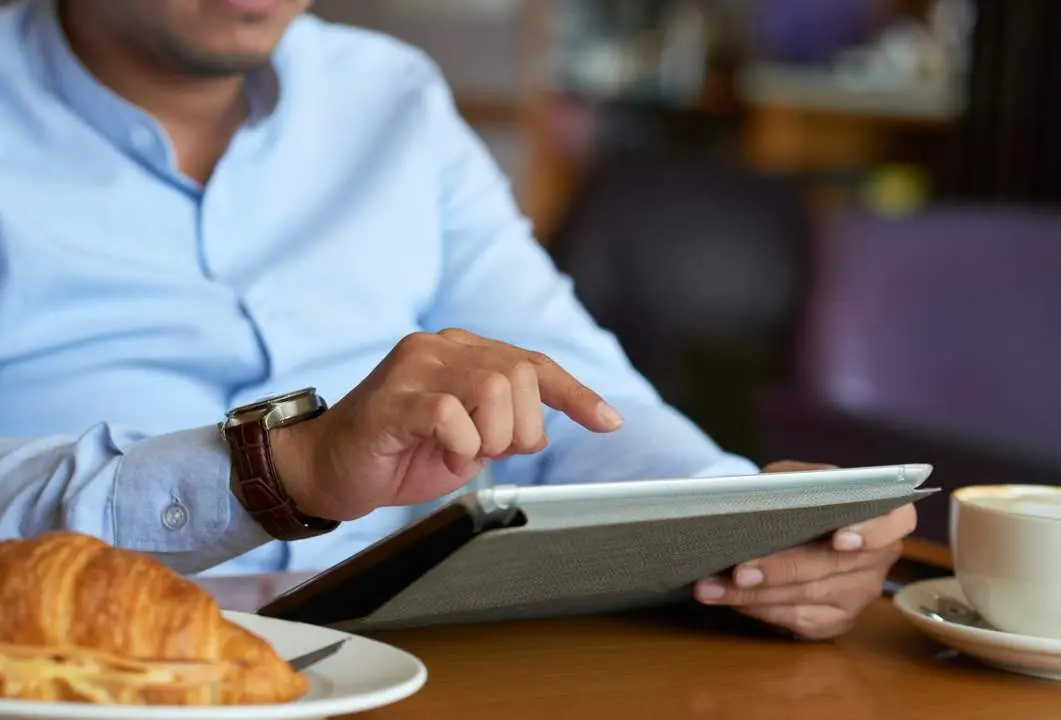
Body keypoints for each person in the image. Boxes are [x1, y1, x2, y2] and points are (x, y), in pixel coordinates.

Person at [0, 0, 915, 640]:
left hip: (428, 656)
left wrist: (743, 525)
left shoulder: (387, 93)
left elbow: (572, 390)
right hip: (74, 663)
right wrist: (284, 470)